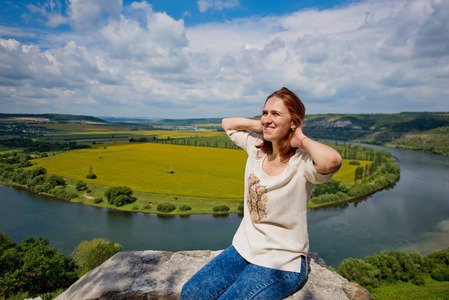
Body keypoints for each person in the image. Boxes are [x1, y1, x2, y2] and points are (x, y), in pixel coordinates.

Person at [180, 87, 342, 300]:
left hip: (282, 261)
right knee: (191, 293)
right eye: (265, 112)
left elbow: (332, 160)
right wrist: (264, 125)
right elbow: (227, 124)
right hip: (243, 249)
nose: (267, 118)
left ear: (294, 122)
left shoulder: (302, 163)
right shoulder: (257, 150)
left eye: (276, 114)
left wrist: (299, 138)